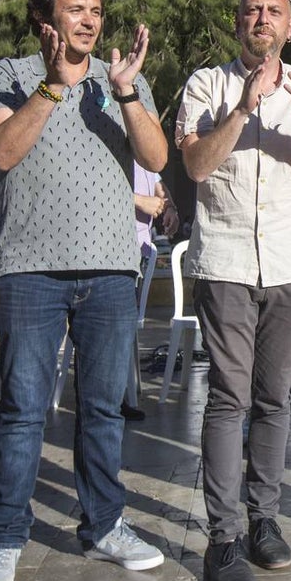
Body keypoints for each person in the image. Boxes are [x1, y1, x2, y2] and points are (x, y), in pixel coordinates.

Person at [0, 0, 168, 581]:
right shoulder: (10, 74)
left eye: (96, 10)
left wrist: (129, 93)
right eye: (76, 9)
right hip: (30, 271)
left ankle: (105, 526)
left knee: (104, 412)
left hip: (111, 270)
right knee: (24, 412)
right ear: (45, 20)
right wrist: (53, 88)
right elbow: (2, 153)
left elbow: (158, 159)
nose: (89, 19)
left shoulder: (121, 83)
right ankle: (4, 540)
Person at [176, 0, 291, 581]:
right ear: (237, 22)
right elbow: (194, 167)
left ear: (289, 26)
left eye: (274, 12)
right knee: (227, 399)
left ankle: (264, 520)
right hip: (227, 261)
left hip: (289, 264)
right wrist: (243, 107)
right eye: (251, 10)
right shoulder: (206, 85)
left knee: (275, 399)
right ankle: (223, 538)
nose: (262, 20)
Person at [124, 164, 180, 422]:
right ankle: (114, 399)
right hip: (116, 252)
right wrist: (139, 202)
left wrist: (169, 207)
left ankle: (122, 395)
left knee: (126, 329)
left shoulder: (143, 150)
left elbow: (158, 183)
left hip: (140, 254)